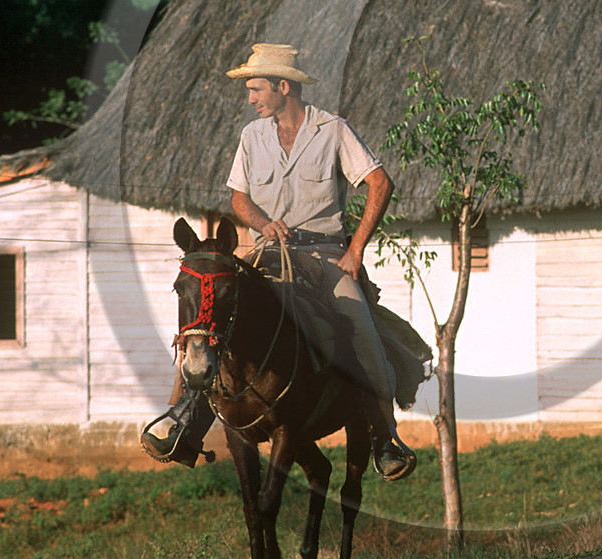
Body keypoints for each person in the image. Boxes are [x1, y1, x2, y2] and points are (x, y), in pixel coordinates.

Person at [141, 43, 418, 481]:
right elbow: (238, 198)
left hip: (324, 254)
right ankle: (184, 415)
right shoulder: (252, 136)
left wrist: (356, 249)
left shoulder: (333, 130)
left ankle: (386, 436)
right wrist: (263, 223)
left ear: (282, 87)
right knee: (209, 309)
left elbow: (379, 183)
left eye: (255, 89)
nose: (250, 98)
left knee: (361, 328)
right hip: (266, 253)